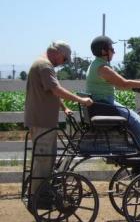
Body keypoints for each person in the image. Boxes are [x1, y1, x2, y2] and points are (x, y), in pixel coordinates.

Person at [24, 41, 93, 199]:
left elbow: (50, 92)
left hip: (43, 120)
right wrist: (81, 101)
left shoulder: (42, 64)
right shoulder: (45, 66)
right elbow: (56, 89)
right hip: (42, 121)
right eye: (64, 59)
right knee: (43, 160)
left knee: (47, 159)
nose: (64, 63)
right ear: (57, 53)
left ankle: (40, 193)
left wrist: (64, 108)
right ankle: (38, 197)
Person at [85, 35, 140, 155]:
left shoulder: (94, 65)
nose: (114, 51)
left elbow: (117, 84)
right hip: (104, 105)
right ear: (103, 51)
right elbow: (123, 83)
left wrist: (134, 87)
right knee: (133, 117)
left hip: (102, 104)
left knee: (130, 119)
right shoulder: (103, 68)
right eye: (111, 49)